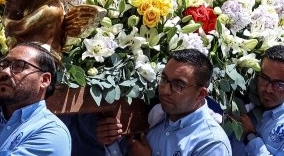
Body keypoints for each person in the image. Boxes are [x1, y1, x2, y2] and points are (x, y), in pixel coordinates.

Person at [96, 49, 231, 155]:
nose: (165, 90)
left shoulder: (211, 143)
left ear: (201, 94)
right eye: (164, 79)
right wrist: (111, 143)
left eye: (178, 85)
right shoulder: (157, 120)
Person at [231, 45, 284, 155]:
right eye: (264, 78)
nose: (269, 89)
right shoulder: (243, 106)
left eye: (279, 84)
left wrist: (250, 136)